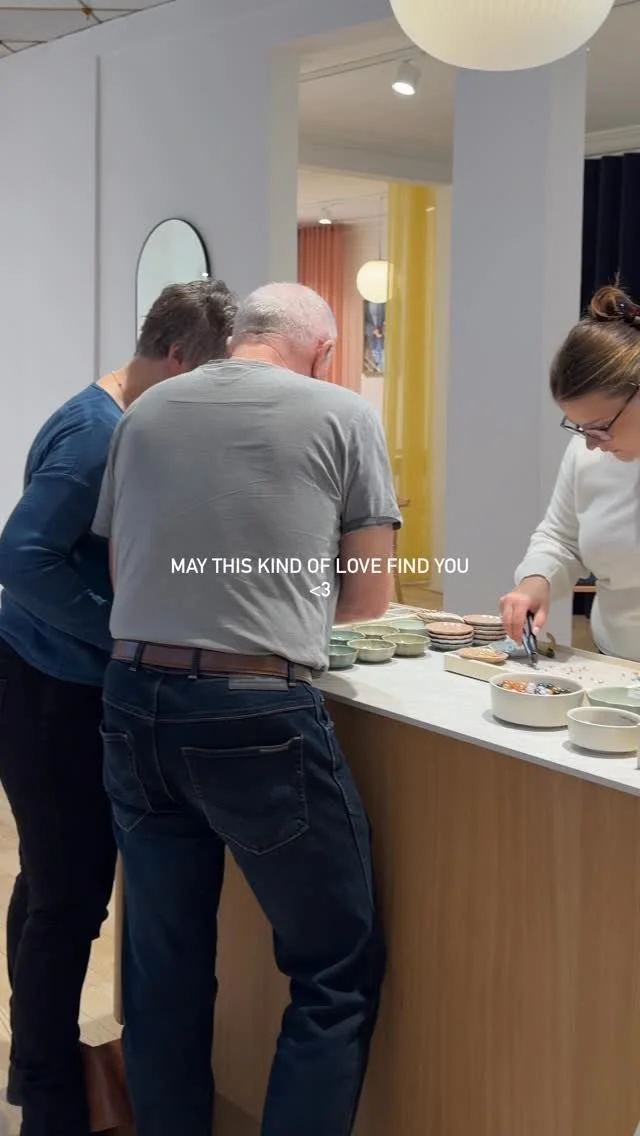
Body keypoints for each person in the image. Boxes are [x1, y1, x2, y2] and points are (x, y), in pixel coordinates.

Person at [92, 281, 400, 1136]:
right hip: (253, 711)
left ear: (239, 336)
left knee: (163, 969)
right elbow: (369, 599)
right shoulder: (343, 414)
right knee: (333, 966)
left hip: (132, 698)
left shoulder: (143, 413)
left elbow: (124, 572)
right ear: (324, 351)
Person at [0, 278, 237, 1136]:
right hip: (49, 690)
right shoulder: (100, 436)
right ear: (175, 358)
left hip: (43, 681)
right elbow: (21, 556)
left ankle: (38, 1074)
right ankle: (50, 1100)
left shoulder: (104, 415)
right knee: (70, 900)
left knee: (50, 886)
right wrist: (121, 629)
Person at [500, 283, 640, 660]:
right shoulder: (588, 456)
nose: (591, 443)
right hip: (614, 660)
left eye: (601, 426)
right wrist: (536, 579)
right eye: (580, 429)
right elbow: (562, 538)